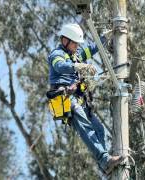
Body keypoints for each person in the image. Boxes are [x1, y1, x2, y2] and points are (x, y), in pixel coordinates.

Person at [47, 23, 124, 174]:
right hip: (67, 100)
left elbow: (92, 48)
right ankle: (104, 159)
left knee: (99, 129)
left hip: (80, 100)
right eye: (75, 43)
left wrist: (104, 37)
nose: (77, 46)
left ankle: (105, 165)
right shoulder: (56, 54)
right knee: (86, 129)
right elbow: (60, 66)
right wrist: (76, 67)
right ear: (65, 41)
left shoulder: (76, 54)